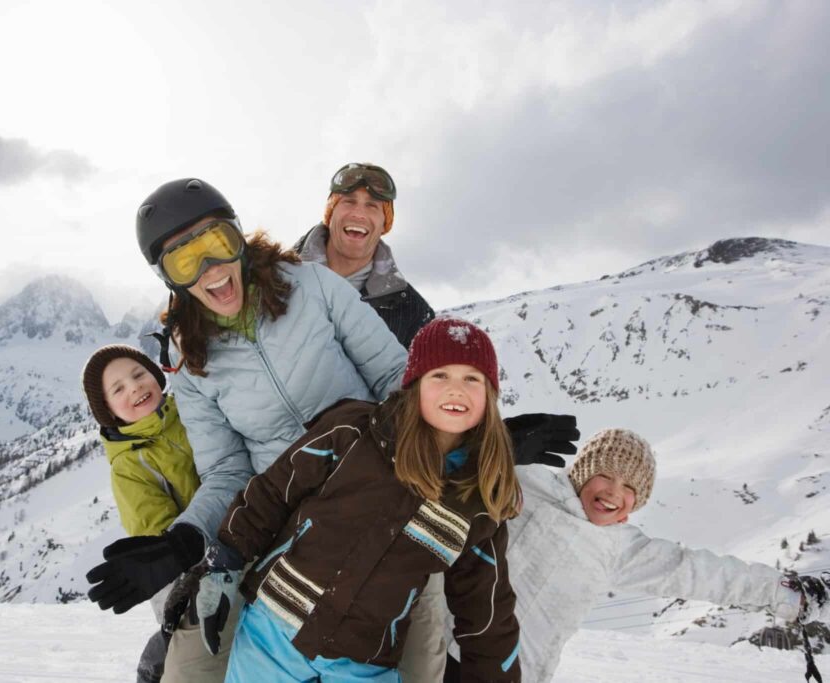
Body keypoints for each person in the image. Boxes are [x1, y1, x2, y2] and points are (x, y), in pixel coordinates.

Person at [86, 178, 577, 682]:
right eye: (185, 261)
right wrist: (183, 541)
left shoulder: (313, 287)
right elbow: (228, 471)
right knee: (195, 672)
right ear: (168, 278)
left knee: (417, 661)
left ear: (237, 237)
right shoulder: (193, 367)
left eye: (215, 245)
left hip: (390, 497)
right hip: (279, 524)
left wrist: (483, 439)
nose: (210, 269)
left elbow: (395, 380)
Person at [191, 317, 521, 682]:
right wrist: (224, 560)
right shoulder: (353, 433)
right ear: (414, 385)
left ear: (489, 396)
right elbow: (271, 494)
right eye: (439, 375)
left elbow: (487, 612)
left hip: (363, 662)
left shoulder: (477, 503)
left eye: (472, 378)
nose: (455, 389)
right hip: (274, 630)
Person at [445, 428, 830, 683]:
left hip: (516, 673)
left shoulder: (622, 548)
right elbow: (446, 475)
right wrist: (499, 445)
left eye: (629, 486)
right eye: (605, 476)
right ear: (583, 472)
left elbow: (697, 571)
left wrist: (783, 593)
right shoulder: (527, 485)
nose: (613, 491)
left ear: (636, 502)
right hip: (445, 653)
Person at [82, 344, 201, 683]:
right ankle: (165, 654)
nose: (134, 387)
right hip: (188, 570)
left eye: (138, 374)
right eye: (118, 388)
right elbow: (156, 538)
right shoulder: (130, 468)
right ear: (107, 409)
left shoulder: (192, 409)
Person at [294, 163, 434, 348]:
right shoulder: (273, 279)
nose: (359, 214)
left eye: (372, 206)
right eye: (349, 201)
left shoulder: (413, 315)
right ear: (330, 214)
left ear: (385, 223)